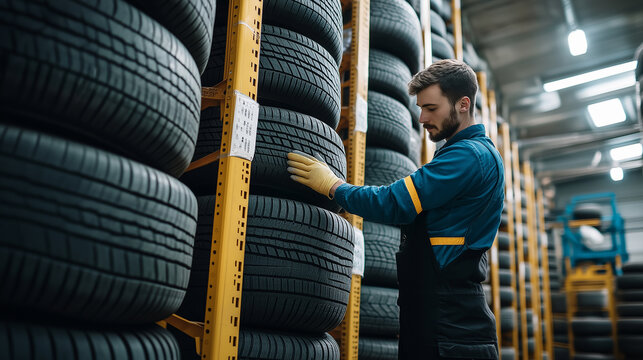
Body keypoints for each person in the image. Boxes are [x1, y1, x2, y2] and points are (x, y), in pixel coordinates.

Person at [287, 59, 504, 359]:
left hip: (450, 329)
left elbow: (395, 202)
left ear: (463, 104)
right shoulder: (463, 154)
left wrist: (334, 187)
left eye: (431, 108)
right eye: (420, 107)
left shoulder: (469, 157)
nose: (421, 117)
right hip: (439, 319)